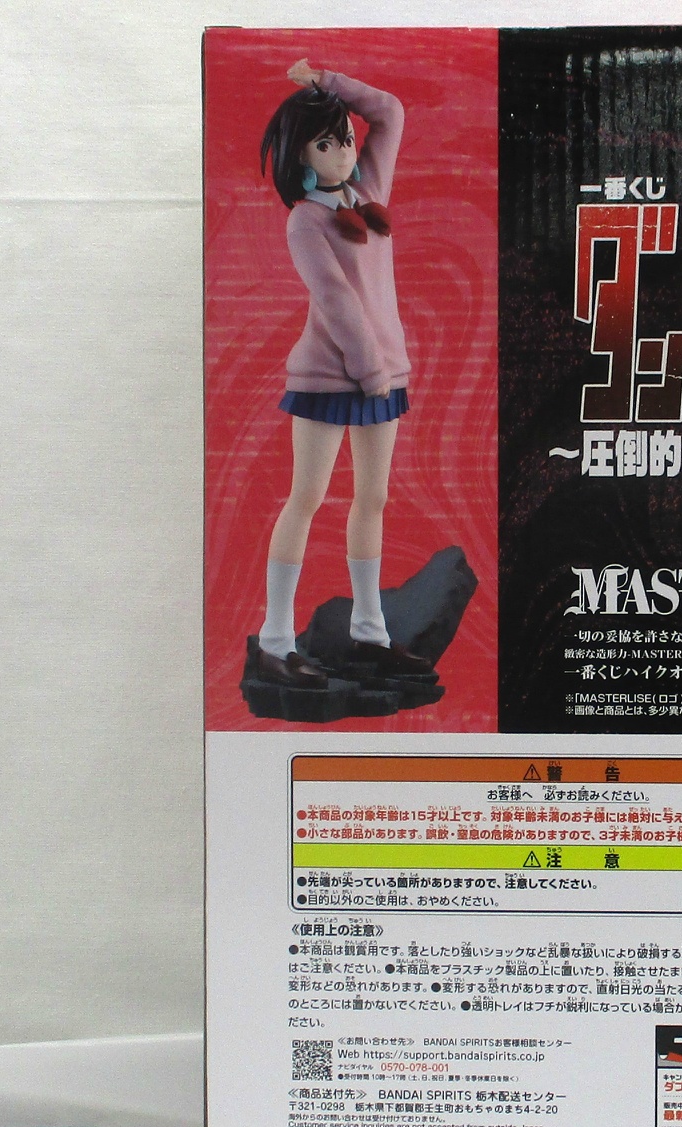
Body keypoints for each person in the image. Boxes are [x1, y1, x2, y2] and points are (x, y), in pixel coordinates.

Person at [255, 59, 432, 687]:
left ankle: (369, 633)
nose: (344, 151)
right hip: (331, 376)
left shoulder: (368, 192)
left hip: (385, 373)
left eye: (345, 138)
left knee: (373, 499)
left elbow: (390, 110)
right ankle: (276, 640)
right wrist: (370, 368)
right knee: (306, 498)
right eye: (326, 144)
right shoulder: (306, 219)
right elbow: (334, 299)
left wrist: (326, 81)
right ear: (300, 156)